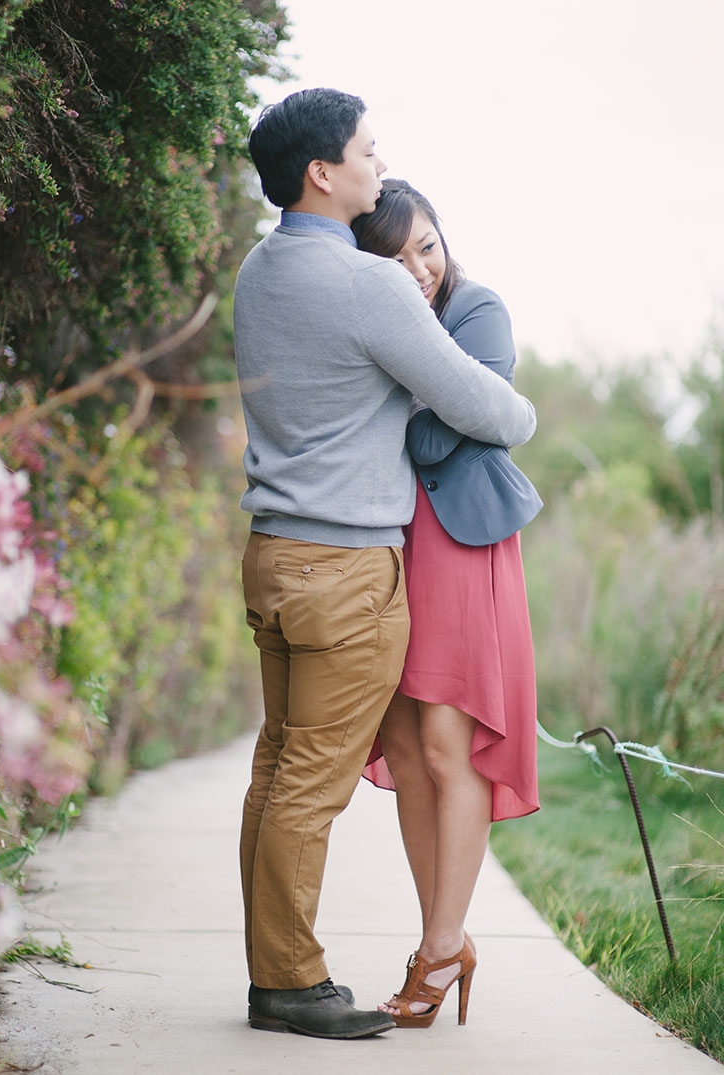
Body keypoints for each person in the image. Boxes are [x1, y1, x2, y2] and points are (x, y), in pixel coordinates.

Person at [233, 88, 537, 1041]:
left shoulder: (255, 271)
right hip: (346, 568)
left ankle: (273, 967)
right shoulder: (372, 286)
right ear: (324, 173)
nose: (377, 163)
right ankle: (289, 979)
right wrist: (490, 416)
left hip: (272, 553)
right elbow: (490, 409)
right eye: (367, 151)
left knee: (277, 766)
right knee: (314, 779)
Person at [350, 178, 541, 1029]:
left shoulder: (481, 311)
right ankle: (443, 936)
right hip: (393, 542)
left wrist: (403, 397)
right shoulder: (378, 314)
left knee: (445, 735)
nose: (418, 267)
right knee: (400, 735)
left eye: (426, 244)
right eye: (394, 257)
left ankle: (439, 946)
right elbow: (411, 419)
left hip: (462, 543)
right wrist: (418, 398)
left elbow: (429, 433)